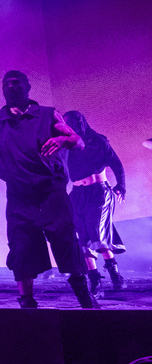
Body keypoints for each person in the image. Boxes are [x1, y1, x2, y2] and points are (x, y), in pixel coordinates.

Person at [0, 70, 97, 309]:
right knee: (21, 247)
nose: (11, 87)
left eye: (17, 83)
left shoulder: (48, 115)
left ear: (28, 87)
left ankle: (85, 298)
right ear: (2, 89)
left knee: (65, 242)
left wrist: (63, 140)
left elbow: (78, 142)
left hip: (51, 192)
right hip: (19, 195)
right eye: (7, 84)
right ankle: (27, 302)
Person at [63, 111, 127, 294]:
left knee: (97, 232)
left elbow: (117, 164)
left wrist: (121, 187)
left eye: (76, 122)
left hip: (99, 192)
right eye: (68, 123)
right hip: (77, 194)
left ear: (82, 122)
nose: (73, 126)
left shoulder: (98, 141)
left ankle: (115, 275)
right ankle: (94, 278)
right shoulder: (66, 145)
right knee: (82, 237)